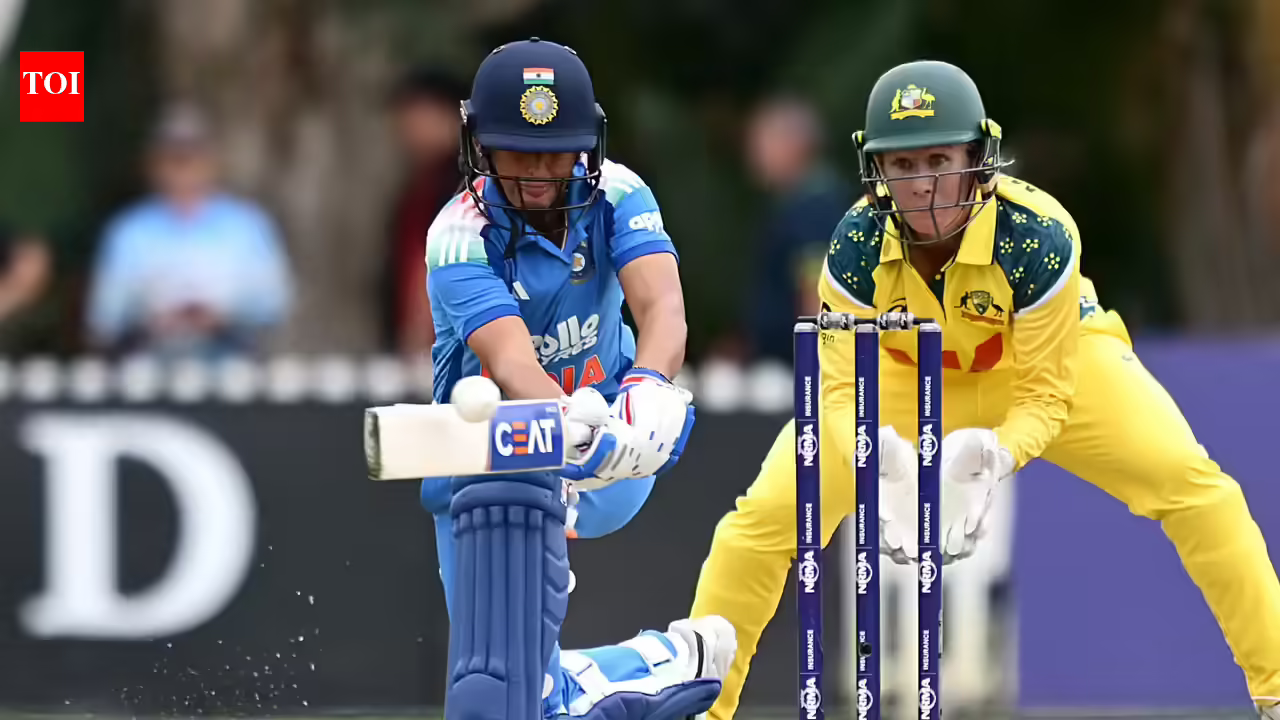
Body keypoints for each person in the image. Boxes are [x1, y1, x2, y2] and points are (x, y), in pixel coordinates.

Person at [688, 59, 1280, 719]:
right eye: (902, 165)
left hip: (1043, 361)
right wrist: (872, 452)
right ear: (875, 170)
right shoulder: (855, 244)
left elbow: (1046, 397)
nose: (922, 186)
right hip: (904, 374)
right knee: (763, 521)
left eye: (938, 160)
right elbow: (838, 392)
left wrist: (999, 455)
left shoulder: (1038, 235)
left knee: (1197, 491)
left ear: (978, 159)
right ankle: (703, 710)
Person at [418, 38, 734, 720]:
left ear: (587, 144)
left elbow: (663, 308)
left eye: (556, 152)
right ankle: (665, 664)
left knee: (502, 688)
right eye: (517, 151)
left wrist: (648, 389)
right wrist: (569, 428)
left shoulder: (619, 192)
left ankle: (635, 670)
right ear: (479, 144)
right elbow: (512, 364)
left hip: (616, 446)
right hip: (493, 464)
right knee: (498, 700)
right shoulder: (457, 237)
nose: (538, 172)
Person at [84, 102, 293, 361]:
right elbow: (104, 317)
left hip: (230, 362)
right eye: (174, 159)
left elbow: (274, 304)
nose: (183, 171)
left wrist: (221, 316)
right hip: (149, 365)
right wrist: (153, 319)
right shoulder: (128, 231)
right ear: (154, 164)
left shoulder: (249, 226)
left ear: (213, 162)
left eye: (192, 158)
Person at [381, 66, 466, 357]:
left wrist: (419, 340)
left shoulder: (465, 187)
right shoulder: (418, 188)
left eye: (418, 114)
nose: (406, 127)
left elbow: (429, 267)